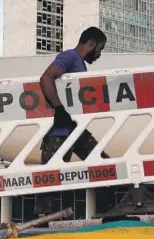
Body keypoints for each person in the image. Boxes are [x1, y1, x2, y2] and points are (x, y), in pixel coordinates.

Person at [40, 26, 110, 164]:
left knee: (104, 166)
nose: (99, 54)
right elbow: (46, 77)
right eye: (100, 49)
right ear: (91, 44)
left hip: (74, 128)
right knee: (56, 180)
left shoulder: (80, 64)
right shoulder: (70, 56)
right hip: (59, 133)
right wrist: (59, 109)